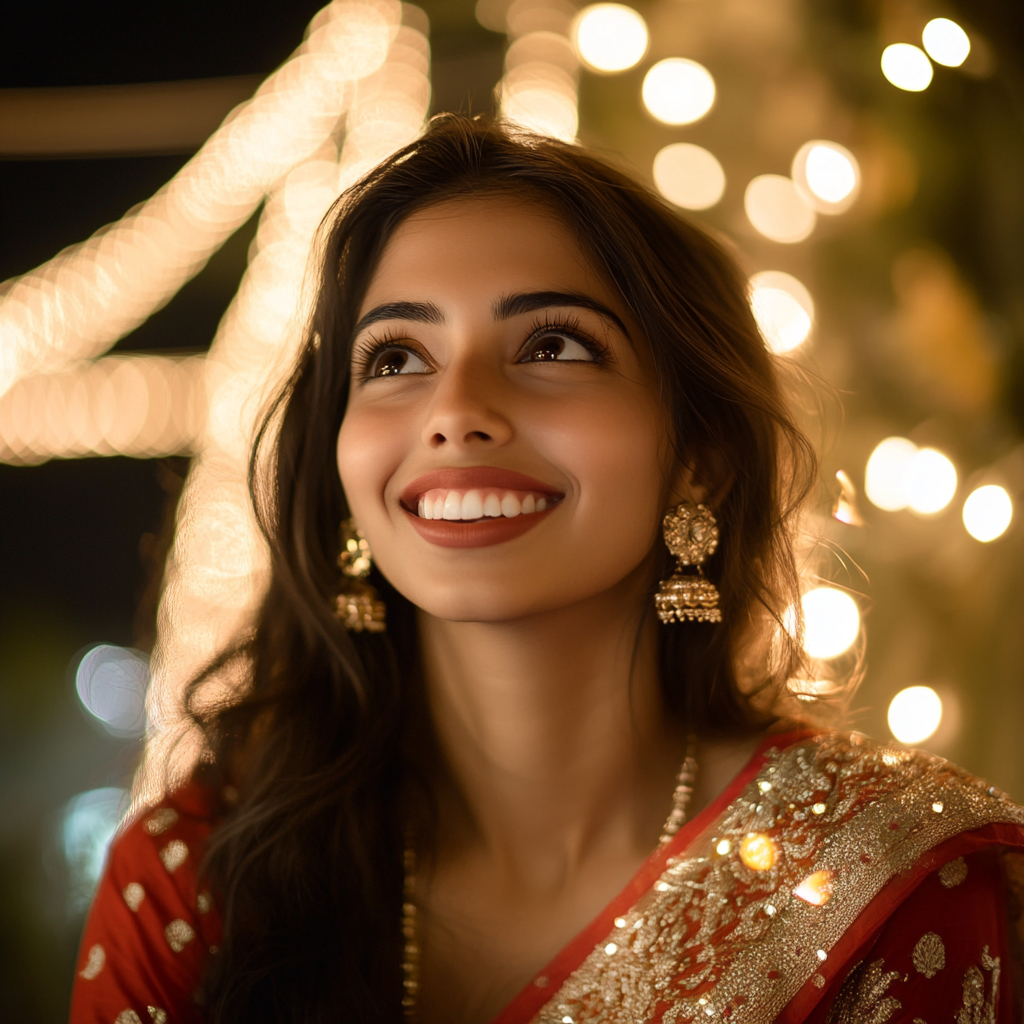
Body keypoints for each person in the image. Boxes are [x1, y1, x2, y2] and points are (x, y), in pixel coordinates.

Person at [71, 115, 1024, 1024]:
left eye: (552, 344)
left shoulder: (881, 876)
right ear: (340, 458)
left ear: (699, 455)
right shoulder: (199, 878)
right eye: (397, 355)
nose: (456, 410)